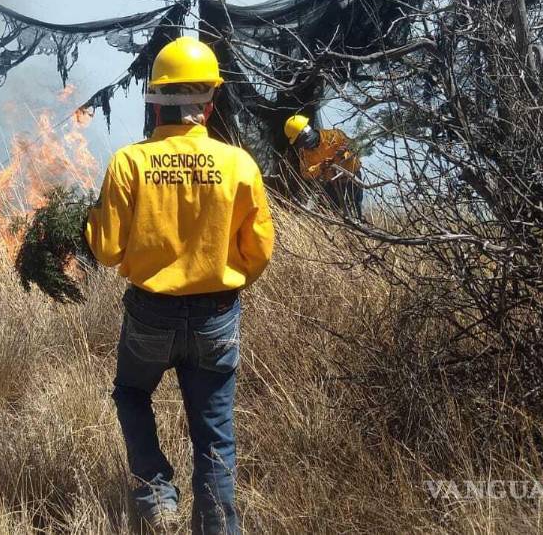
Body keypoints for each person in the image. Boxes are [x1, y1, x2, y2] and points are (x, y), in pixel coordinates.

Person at [85, 36, 275, 535]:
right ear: (208, 105)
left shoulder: (129, 163)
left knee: (131, 393)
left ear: (154, 104)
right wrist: (222, 283)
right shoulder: (237, 164)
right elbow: (259, 252)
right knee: (215, 437)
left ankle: (156, 492)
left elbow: (105, 251)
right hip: (217, 315)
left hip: (150, 313)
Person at [283, 114, 364, 219]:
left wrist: (343, 155)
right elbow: (306, 174)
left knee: (356, 214)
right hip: (333, 186)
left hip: (352, 180)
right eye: (298, 143)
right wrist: (320, 167)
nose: (301, 145)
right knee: (335, 216)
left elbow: (354, 150)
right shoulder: (305, 153)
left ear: (305, 132)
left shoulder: (335, 135)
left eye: (300, 140)